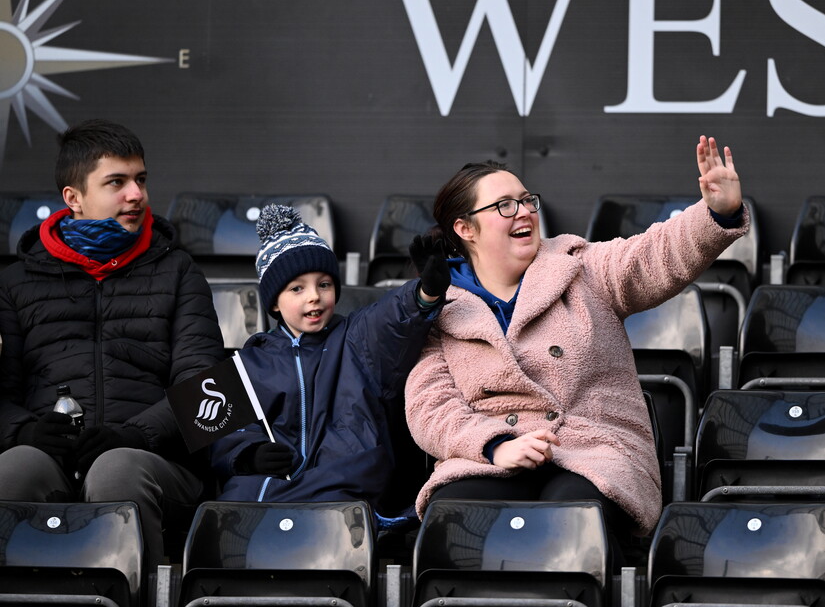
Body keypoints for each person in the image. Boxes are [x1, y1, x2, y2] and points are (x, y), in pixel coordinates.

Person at [405, 135, 749, 551]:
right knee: (454, 520)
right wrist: (495, 446)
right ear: (465, 228)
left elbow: (652, 255)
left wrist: (717, 212)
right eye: (504, 205)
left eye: (527, 200)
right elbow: (430, 406)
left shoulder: (580, 267)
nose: (525, 212)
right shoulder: (435, 305)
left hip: (591, 449)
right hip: (489, 457)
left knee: (572, 522)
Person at [0, 119, 226, 573]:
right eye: (117, 182)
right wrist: (23, 431)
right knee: (15, 466)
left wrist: (135, 435)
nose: (136, 195)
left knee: (116, 468)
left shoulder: (179, 271)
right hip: (52, 459)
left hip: (156, 460)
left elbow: (208, 388)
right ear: (74, 198)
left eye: (140, 179)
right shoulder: (14, 282)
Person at [209, 204, 449, 519]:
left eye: (324, 284)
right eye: (297, 288)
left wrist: (425, 293)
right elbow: (220, 430)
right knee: (235, 498)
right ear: (274, 304)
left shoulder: (356, 336)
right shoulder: (250, 359)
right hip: (278, 481)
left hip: (341, 476)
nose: (314, 296)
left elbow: (392, 319)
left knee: (340, 497)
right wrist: (249, 454)